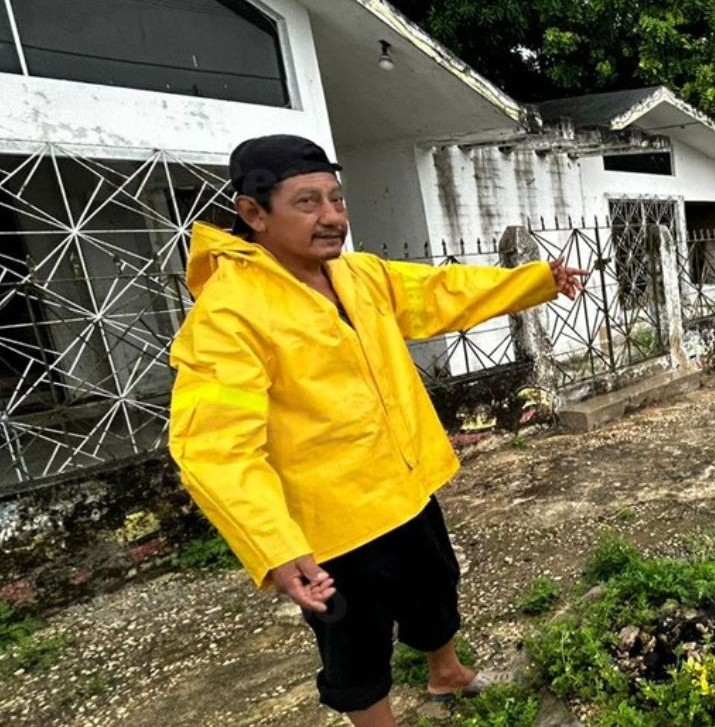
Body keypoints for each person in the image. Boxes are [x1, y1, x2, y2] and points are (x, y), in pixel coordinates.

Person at [167, 134, 585, 726]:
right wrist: (276, 547)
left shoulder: (356, 275)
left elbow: (437, 292)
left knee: (434, 588)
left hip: (405, 486)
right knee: (355, 645)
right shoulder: (229, 314)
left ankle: (448, 674)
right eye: (307, 203)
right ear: (253, 213)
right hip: (333, 522)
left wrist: (534, 280)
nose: (332, 217)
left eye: (336, 200)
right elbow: (215, 447)